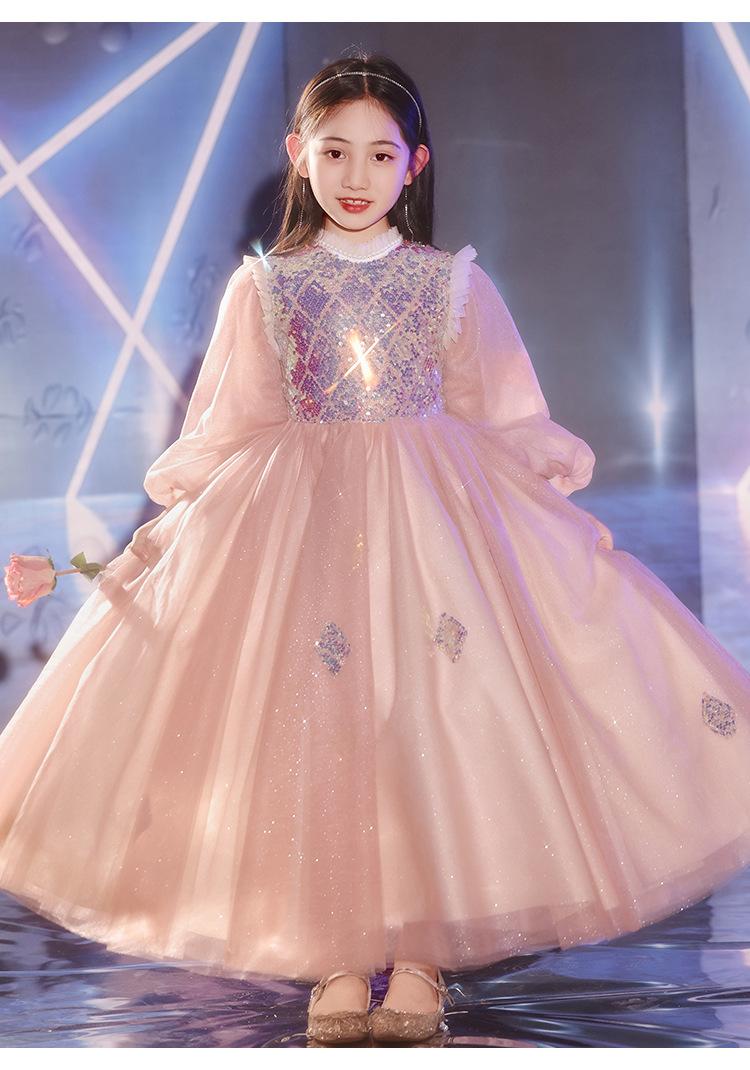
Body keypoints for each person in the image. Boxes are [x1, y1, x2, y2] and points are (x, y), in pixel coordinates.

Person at [2, 50, 750, 1047]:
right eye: (335, 150)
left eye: (380, 154)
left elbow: (498, 410)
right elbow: (232, 422)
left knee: (427, 720)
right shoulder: (265, 288)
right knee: (321, 726)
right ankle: (341, 951)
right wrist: (175, 526)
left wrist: (541, 505)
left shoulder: (449, 283)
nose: (356, 175)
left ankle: (424, 953)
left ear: (416, 164)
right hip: (299, 530)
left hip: (435, 530)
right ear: (298, 154)